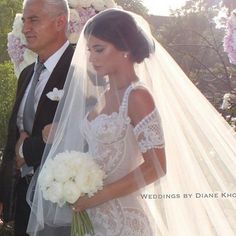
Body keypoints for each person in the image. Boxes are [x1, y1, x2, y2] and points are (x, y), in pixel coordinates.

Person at [28, 9, 236, 236]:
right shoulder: (104, 96)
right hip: (94, 218)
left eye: (99, 49)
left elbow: (156, 167)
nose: (91, 57)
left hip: (125, 220)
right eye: (89, 50)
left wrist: (100, 195)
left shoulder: (137, 97)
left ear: (125, 48)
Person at [0, 0, 74, 235]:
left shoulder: (81, 72)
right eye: (24, 21)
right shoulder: (27, 74)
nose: (25, 28)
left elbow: (79, 135)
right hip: (22, 204)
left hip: (62, 207)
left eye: (33, 20)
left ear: (60, 22)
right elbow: (13, 139)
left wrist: (27, 151)